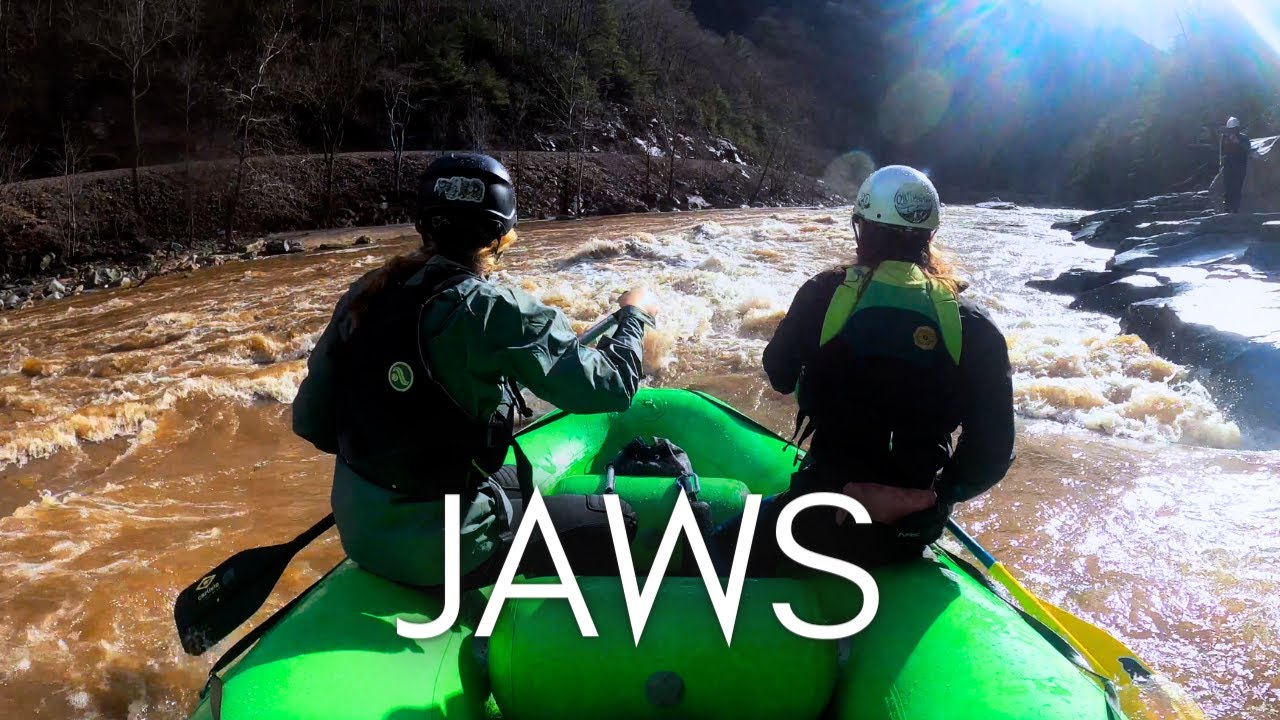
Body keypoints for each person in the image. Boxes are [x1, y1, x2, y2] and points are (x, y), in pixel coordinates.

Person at [292, 152, 658, 587]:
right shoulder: (498, 311)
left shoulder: (367, 291)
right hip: (441, 553)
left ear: (424, 225)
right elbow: (613, 387)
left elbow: (312, 423)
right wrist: (634, 315)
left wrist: (397, 443)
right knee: (618, 521)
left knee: (511, 480)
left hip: (360, 531)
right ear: (500, 236)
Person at [712, 165, 1015, 574]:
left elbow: (778, 373)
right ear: (930, 235)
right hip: (912, 528)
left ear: (862, 228)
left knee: (706, 551)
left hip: (820, 514)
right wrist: (937, 497)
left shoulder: (824, 293)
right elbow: (993, 452)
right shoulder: (972, 323)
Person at [1220, 116, 1251, 214]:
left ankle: (1235, 209)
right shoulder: (1225, 138)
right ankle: (1227, 208)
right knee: (1227, 187)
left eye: (1233, 129)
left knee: (1237, 187)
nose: (1231, 131)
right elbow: (1222, 152)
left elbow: (1247, 150)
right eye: (1230, 129)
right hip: (1228, 166)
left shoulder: (1244, 138)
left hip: (1239, 166)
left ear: (1237, 128)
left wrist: (1238, 142)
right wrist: (1221, 163)